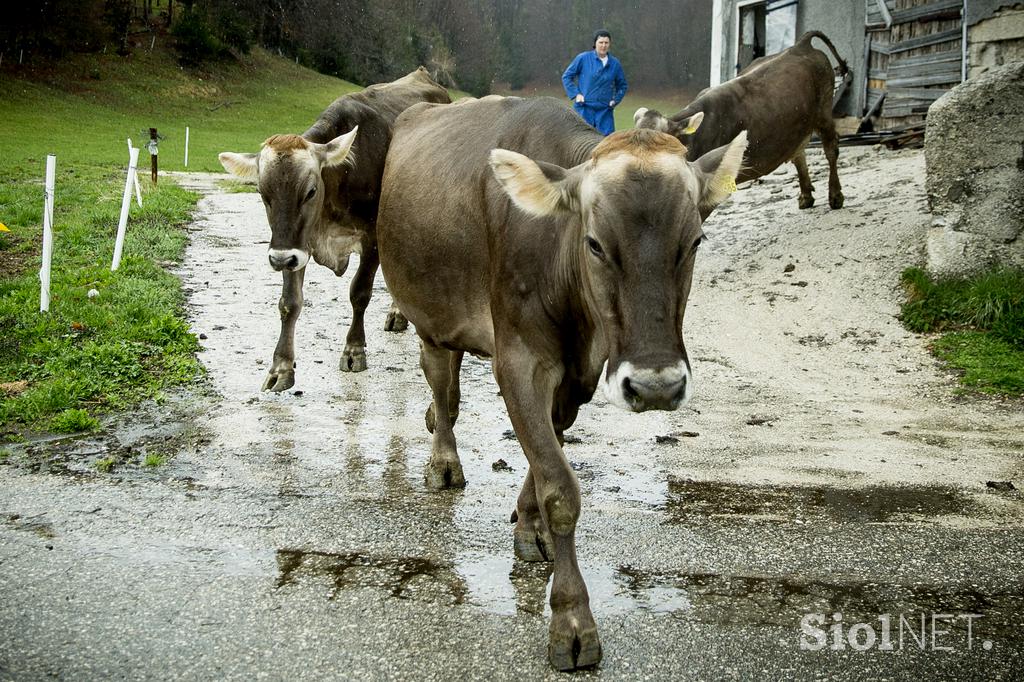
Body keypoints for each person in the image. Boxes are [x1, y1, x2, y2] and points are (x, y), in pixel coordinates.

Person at [561, 29, 628, 136]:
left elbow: (622, 85)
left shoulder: (615, 64)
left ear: (610, 44)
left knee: (605, 144)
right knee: (581, 141)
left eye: (606, 43)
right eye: (600, 42)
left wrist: (615, 100)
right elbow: (567, 76)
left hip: (605, 111)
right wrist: (576, 94)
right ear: (595, 43)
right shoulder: (583, 58)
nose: (603, 45)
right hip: (584, 109)